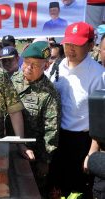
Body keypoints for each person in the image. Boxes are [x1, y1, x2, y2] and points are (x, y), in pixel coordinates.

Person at [52, 22, 105, 198]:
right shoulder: (57, 67)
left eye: (77, 44)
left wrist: (91, 153)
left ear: (91, 45)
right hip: (57, 138)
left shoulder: (98, 75)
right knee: (57, 188)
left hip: (82, 142)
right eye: (68, 44)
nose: (70, 49)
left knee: (78, 190)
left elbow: (100, 118)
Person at [6, 41, 61, 197]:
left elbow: (52, 130)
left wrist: (45, 161)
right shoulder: (12, 80)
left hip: (32, 156)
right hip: (8, 148)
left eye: (35, 65)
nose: (28, 68)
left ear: (45, 66)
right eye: (27, 63)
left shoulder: (49, 94)